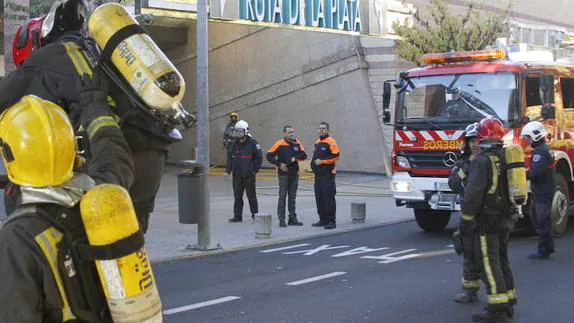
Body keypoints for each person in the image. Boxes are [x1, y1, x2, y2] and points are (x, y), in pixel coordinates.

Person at [0, 0, 181, 232]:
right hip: (151, 154)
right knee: (124, 242)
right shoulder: (100, 52)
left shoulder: (42, 59)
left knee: (24, 199)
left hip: (108, 156)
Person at [0, 73, 135, 321]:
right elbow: (115, 159)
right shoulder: (101, 199)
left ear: (10, 158)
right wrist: (96, 107)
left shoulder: (15, 238)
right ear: (72, 147)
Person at [462, 116, 517, 322]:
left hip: (487, 219)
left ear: (482, 135)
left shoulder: (483, 161)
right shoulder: (505, 156)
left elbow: (473, 194)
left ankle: (497, 309)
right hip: (506, 216)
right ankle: (509, 300)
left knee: (488, 260)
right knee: (501, 258)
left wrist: (466, 219)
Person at [448, 122, 482, 303]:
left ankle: (499, 296)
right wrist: (468, 165)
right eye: (472, 141)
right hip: (469, 213)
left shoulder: (490, 160)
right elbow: (453, 183)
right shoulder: (463, 162)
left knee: (490, 255)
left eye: (478, 141)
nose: (475, 145)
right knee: (469, 251)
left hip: (488, 215)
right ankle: (469, 290)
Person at [520, 121, 556, 259]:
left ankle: (545, 250)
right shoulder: (543, 149)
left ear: (535, 136)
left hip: (542, 191)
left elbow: (535, 173)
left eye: (527, 137)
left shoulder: (540, 152)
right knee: (537, 218)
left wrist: (519, 174)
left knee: (541, 220)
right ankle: (547, 247)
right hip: (543, 190)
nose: (527, 141)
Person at [266, 125, 307, 227]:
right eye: (289, 132)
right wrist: (279, 165)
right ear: (284, 133)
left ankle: (292, 218)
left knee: (292, 198)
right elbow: (269, 156)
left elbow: (304, 155)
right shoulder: (279, 144)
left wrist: (294, 158)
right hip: (283, 175)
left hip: (294, 174)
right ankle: (281, 219)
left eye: (292, 132)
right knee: (282, 197)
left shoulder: (297, 142)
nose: (291, 134)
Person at [226, 120, 262, 222]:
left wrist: (254, 171)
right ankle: (237, 216)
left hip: (249, 176)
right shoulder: (234, 144)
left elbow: (259, 158)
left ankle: (255, 215)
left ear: (246, 131)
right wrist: (227, 171)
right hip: (237, 176)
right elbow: (230, 158)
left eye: (240, 131)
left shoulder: (253, 143)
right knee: (237, 197)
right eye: (237, 131)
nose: (238, 133)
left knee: (251, 197)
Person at [311, 121, 340, 230]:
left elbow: (336, 156)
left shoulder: (331, 142)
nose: (321, 130)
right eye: (319, 128)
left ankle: (331, 221)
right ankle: (322, 219)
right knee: (319, 198)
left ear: (327, 130)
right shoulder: (317, 142)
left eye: (323, 128)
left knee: (328, 198)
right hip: (318, 175)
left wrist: (322, 161)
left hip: (328, 175)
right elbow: (315, 156)